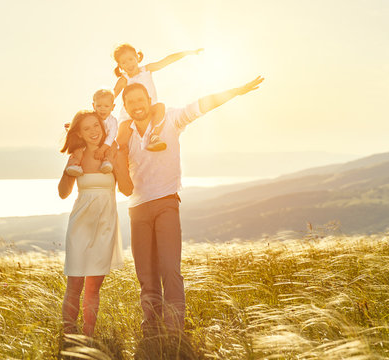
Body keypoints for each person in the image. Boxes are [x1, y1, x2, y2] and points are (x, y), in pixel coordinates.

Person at [115, 76, 264, 335]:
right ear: (126, 107)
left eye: (140, 99)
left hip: (166, 203)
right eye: (130, 102)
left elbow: (201, 105)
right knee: (146, 275)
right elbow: (115, 170)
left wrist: (236, 92)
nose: (136, 105)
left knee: (170, 269)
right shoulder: (125, 136)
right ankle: (151, 330)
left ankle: (174, 331)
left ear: (150, 100)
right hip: (137, 209)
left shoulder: (170, 120)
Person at [58, 109, 129, 337]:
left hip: (105, 225)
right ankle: (69, 334)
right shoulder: (77, 155)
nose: (93, 132)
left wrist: (119, 163)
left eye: (96, 126)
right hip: (80, 225)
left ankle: (88, 336)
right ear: (79, 132)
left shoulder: (112, 154)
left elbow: (127, 190)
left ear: (103, 126)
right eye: (87, 128)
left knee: (93, 288)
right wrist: (69, 170)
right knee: (75, 284)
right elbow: (63, 193)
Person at [111, 43, 203, 152]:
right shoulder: (124, 79)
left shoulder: (147, 70)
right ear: (120, 66)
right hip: (129, 115)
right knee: (121, 142)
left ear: (137, 58)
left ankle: (154, 136)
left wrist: (188, 52)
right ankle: (110, 157)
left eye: (131, 59)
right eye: (124, 62)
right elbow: (111, 95)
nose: (128, 64)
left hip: (149, 109)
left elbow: (167, 61)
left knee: (160, 107)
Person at [64, 89, 119, 177]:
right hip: (94, 140)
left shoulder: (113, 121)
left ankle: (106, 161)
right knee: (79, 148)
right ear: (93, 106)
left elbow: (111, 137)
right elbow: (84, 123)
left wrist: (102, 150)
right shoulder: (93, 116)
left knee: (113, 146)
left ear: (112, 107)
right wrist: (72, 126)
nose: (102, 109)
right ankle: (76, 164)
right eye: (99, 106)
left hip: (107, 143)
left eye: (106, 106)